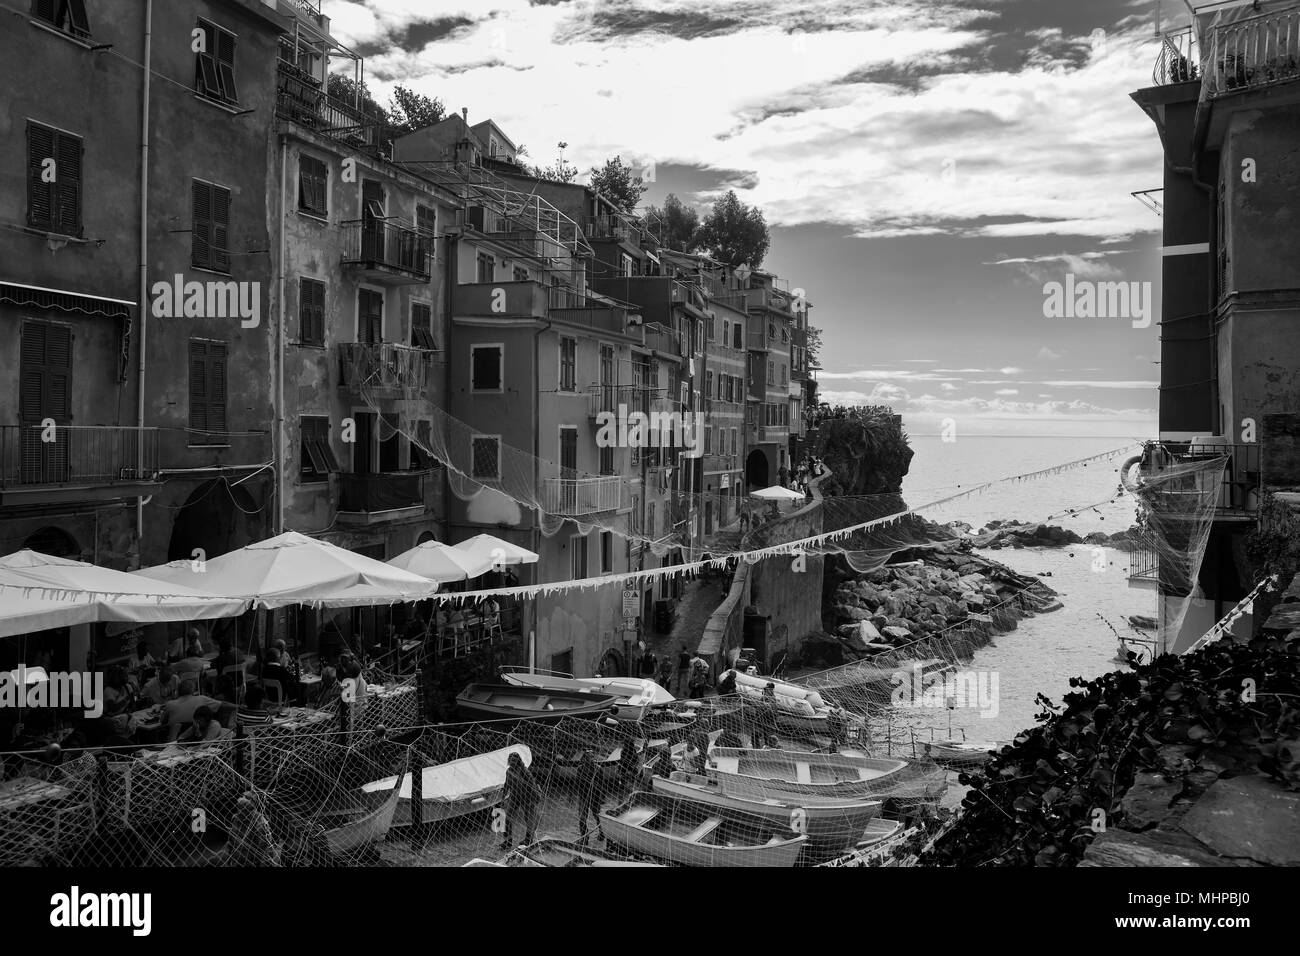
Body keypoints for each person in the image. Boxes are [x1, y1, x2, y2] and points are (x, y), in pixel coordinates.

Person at [501, 751, 540, 849]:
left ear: (518, 761)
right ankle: (508, 841)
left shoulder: (524, 771)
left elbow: (533, 785)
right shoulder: (509, 771)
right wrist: (503, 798)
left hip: (527, 798)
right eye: (510, 760)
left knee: (529, 820)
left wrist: (534, 799)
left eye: (514, 760)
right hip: (515, 797)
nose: (511, 762)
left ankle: (528, 839)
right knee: (508, 818)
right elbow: (507, 785)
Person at [576, 750, 605, 841]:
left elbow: (602, 784)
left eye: (592, 757)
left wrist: (602, 797)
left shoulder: (598, 768)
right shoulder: (580, 769)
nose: (591, 759)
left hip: (595, 796)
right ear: (585, 758)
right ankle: (584, 836)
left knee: (597, 816)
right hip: (584, 796)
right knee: (582, 818)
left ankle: (602, 832)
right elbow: (577, 783)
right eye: (589, 757)